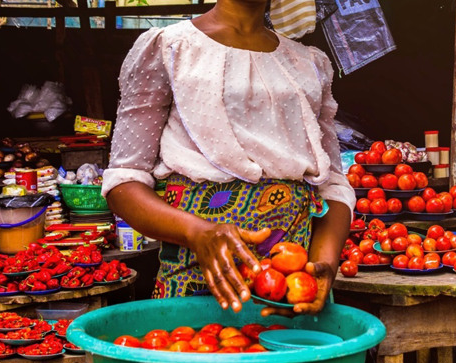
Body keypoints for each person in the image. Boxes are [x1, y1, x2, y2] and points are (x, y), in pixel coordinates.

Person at [102, 0, 355, 316]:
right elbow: (124, 181)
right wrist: (197, 232)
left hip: (289, 290)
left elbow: (332, 184)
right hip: (195, 276)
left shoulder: (307, 64)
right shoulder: (170, 48)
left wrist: (323, 265)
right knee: (199, 356)